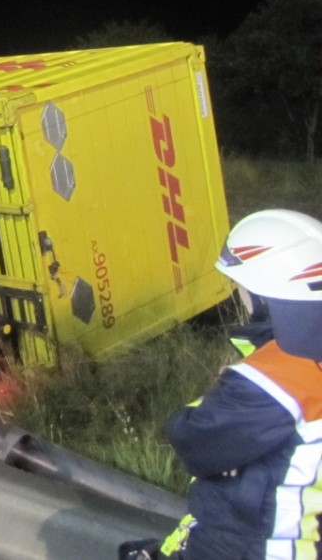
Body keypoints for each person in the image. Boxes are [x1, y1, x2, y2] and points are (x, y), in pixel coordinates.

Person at [123, 209, 322, 559]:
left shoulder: (278, 375)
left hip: (257, 546)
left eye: (244, 289)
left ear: (267, 297)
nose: (241, 299)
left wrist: (213, 398)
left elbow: (194, 437)